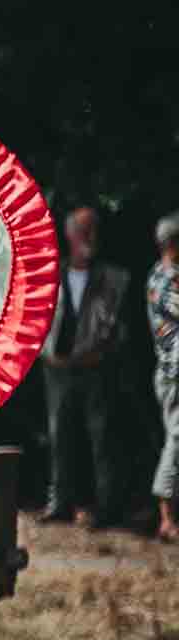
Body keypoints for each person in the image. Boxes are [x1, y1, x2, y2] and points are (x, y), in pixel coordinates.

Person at [39, 206, 131, 526]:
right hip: (58, 368)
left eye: (94, 230)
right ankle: (60, 502)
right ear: (69, 235)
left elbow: (122, 328)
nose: (91, 237)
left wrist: (105, 353)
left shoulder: (115, 278)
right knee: (59, 435)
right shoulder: (49, 274)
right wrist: (46, 353)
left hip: (95, 368)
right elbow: (34, 319)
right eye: (84, 230)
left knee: (101, 437)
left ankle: (105, 506)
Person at [148, 212, 179, 542]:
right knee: (177, 439)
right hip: (175, 374)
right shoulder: (167, 280)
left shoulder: (167, 275)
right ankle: (166, 519)